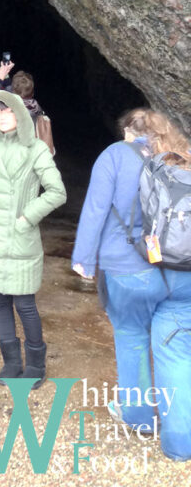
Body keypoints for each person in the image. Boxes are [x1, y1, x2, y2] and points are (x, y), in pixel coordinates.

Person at [71, 109, 191, 461]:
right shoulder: (181, 158)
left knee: (133, 340)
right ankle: (180, 445)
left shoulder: (115, 155)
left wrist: (84, 259)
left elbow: (95, 208)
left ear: (128, 131)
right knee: (176, 352)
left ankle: (140, 419)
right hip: (183, 273)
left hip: (130, 271)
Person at [0, 90, 66, 388]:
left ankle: (35, 363)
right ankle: (11, 361)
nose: (1, 117)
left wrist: (27, 216)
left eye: (7, 112)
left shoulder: (35, 149)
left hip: (20, 238)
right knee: (0, 301)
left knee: (24, 303)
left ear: (20, 115)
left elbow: (57, 192)